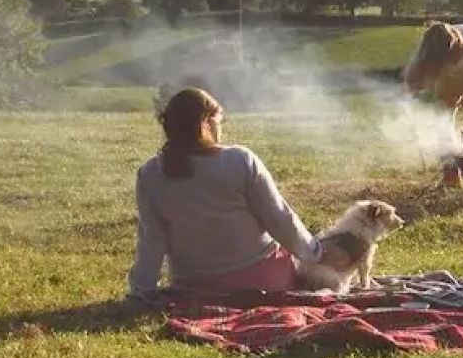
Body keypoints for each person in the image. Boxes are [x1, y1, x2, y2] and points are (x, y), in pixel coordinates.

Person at [126, 88, 324, 303]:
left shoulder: (150, 175)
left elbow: (152, 240)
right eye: (220, 121)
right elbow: (279, 219)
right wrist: (314, 252)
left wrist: (142, 290)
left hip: (194, 288)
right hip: (262, 282)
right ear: (206, 122)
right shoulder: (240, 161)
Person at [401, 20, 463, 139]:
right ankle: (449, 149)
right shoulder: (429, 50)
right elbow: (413, 79)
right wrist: (410, 106)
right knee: (444, 114)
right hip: (449, 77)